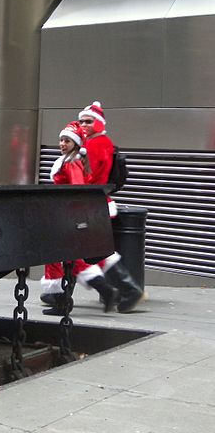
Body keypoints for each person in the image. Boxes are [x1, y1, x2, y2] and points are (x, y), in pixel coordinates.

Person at [40, 121, 120, 315]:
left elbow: (77, 190)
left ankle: (63, 301)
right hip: (67, 217)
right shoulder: (71, 160)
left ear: (75, 143)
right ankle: (102, 292)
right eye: (60, 140)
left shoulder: (72, 162)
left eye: (67, 140)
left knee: (62, 258)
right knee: (71, 259)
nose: (62, 144)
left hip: (68, 218)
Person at [78, 101, 144, 313]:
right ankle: (120, 290)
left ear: (98, 122)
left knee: (97, 251)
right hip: (96, 205)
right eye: (81, 121)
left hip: (93, 205)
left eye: (88, 121)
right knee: (95, 251)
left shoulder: (96, 145)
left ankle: (127, 289)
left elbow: (88, 178)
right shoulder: (99, 143)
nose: (84, 125)